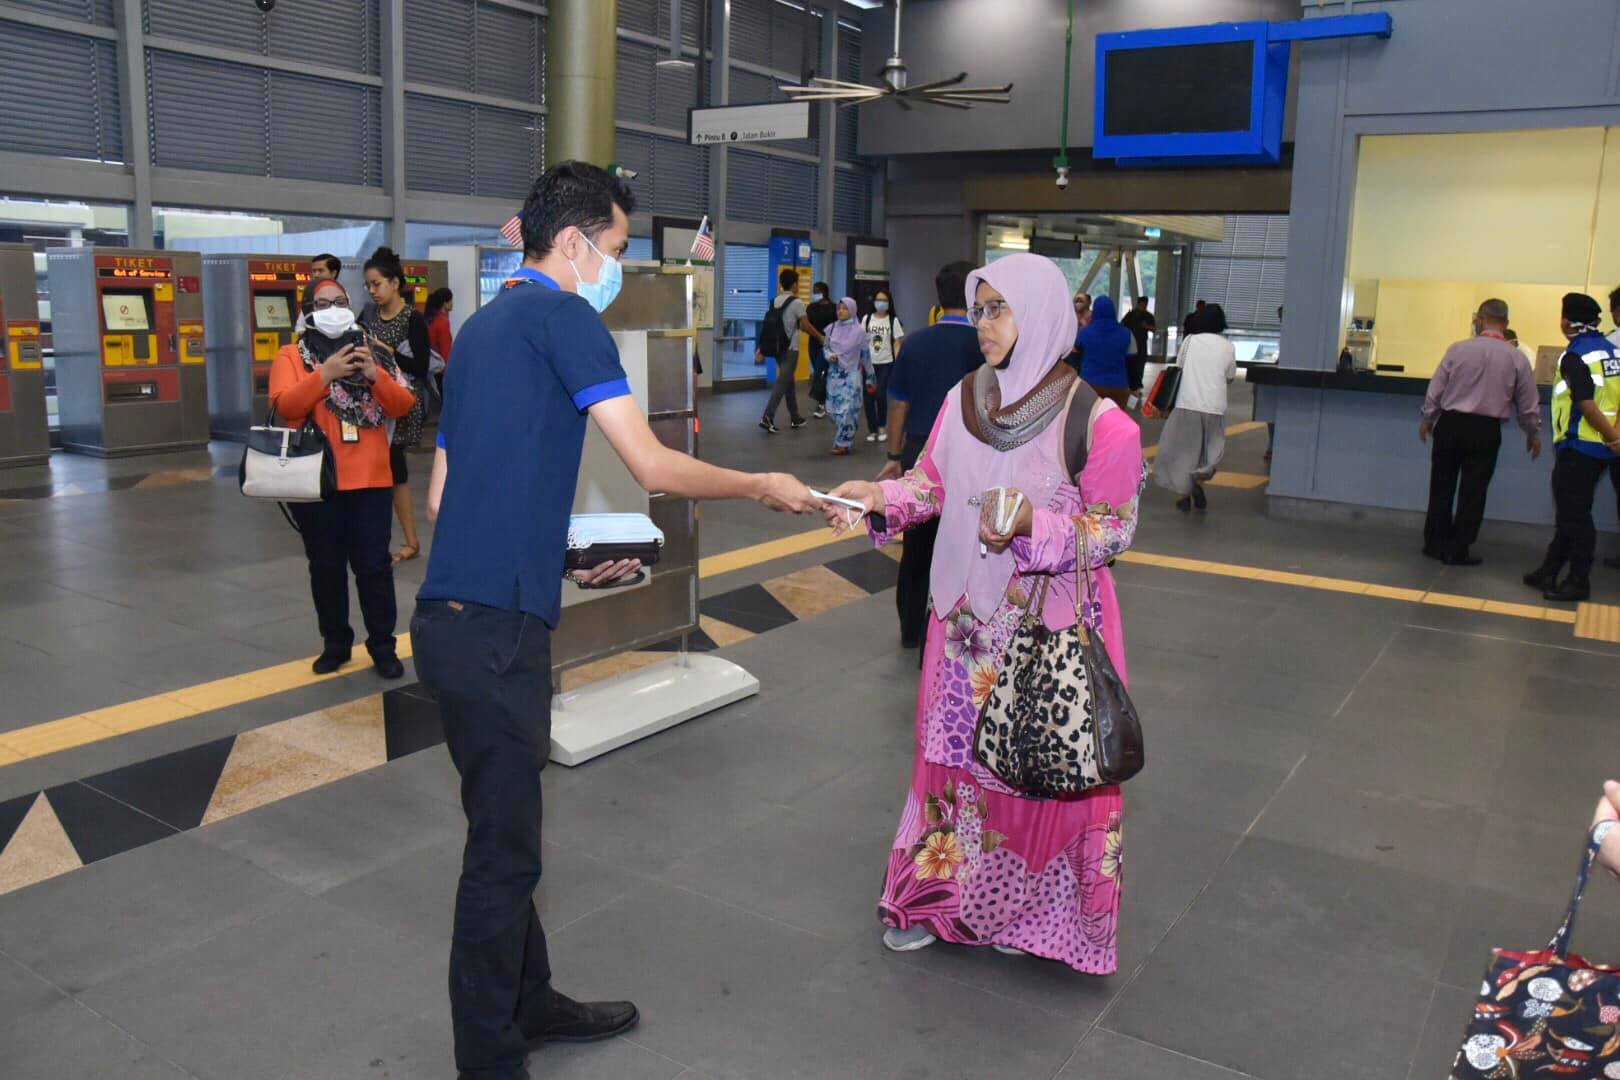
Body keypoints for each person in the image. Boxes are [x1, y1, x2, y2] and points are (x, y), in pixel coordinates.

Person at [415, 162, 819, 1080]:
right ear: (572, 243)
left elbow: (444, 498)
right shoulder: (565, 318)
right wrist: (761, 483)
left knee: (505, 834)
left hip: (451, 623)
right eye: (617, 247)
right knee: (501, 861)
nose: (619, 267)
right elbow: (652, 464)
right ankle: (488, 1061)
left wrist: (557, 553)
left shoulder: (477, 330)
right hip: (498, 634)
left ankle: (530, 1002)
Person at [822, 252, 1144, 972]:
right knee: (951, 764)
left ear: (1043, 314)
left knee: (1039, 771)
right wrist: (878, 498)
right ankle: (936, 902)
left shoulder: (1102, 424)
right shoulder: (964, 399)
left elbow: (1115, 530)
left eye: (1000, 309)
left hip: (1044, 635)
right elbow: (930, 485)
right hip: (963, 625)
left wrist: (1035, 525)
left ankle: (1031, 917)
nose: (985, 324)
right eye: (981, 308)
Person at [269, 277, 415, 679]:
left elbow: (404, 404)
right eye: (322, 303)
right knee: (326, 567)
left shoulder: (373, 350)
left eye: (340, 301)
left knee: (374, 567)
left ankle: (383, 645)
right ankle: (335, 643)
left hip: (371, 480)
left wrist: (374, 375)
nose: (332, 309)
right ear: (306, 310)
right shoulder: (292, 355)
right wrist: (324, 375)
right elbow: (286, 406)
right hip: (319, 481)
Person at [879, 260, 983, 649]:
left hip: (920, 452)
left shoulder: (915, 343)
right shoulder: (984, 345)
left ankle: (910, 630)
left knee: (917, 545)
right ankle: (956, 633)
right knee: (965, 544)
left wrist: (895, 454)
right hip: (972, 455)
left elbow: (899, 404)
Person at [1418, 298, 1542, 566]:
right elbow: (1528, 403)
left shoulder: (1458, 349)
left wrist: (1429, 418)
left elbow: (1436, 388)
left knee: (1441, 486)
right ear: (1506, 323)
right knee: (1473, 492)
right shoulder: (1516, 358)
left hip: (1450, 425)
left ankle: (1434, 543)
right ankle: (1458, 548)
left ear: (1480, 319)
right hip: (1485, 430)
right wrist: (1533, 432)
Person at [1523, 293, 1620, 602]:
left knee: (1575, 517)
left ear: (1566, 322)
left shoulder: (1575, 355)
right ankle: (1549, 570)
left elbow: (1587, 405)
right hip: (1601, 449)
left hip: (1580, 446)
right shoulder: (1612, 351)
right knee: (1571, 512)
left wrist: (1613, 437)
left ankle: (1578, 580)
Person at [360, 247, 432, 563]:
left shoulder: (412, 319)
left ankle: (410, 541)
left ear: (394, 283)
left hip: (400, 405)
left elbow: (420, 366)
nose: (372, 291)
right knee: (382, 470)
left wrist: (386, 350)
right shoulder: (368, 316)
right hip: (370, 402)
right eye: (368, 286)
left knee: (394, 470)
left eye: (377, 284)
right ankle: (388, 539)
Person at [1156, 303, 1237, 512]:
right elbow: (1230, 376)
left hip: (1188, 402)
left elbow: (1179, 368)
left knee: (1185, 451)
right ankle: (1199, 479)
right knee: (1211, 452)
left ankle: (1185, 494)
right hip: (1214, 405)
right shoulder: (1228, 346)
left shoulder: (1190, 341)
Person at [756, 268, 822, 433]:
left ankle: (795, 417)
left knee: (788, 382)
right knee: (782, 382)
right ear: (794, 285)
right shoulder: (797, 303)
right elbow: (805, 326)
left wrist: (761, 348)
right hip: (790, 349)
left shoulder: (774, 301)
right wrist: (820, 337)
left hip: (777, 348)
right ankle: (767, 416)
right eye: (797, 283)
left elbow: (768, 327)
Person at [823, 297, 872, 456]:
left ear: (852, 310)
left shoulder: (860, 332)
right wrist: (829, 355)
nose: (841, 311)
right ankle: (846, 433)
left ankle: (843, 443)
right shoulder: (831, 328)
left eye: (845, 308)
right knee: (833, 411)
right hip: (834, 376)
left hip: (851, 377)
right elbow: (825, 348)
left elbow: (866, 356)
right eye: (839, 308)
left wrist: (871, 377)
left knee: (848, 410)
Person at [1076, 295, 1134, 408]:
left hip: (1089, 384)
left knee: (1090, 416)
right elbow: (1132, 355)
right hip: (1118, 385)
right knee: (1116, 417)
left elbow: (1075, 350)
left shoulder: (1084, 332)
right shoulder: (1127, 333)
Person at [863, 288, 905, 442]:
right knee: (868, 396)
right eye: (878, 300)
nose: (881, 303)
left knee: (880, 394)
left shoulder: (893, 320)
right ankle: (872, 430)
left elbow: (897, 342)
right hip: (869, 364)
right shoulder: (867, 319)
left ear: (889, 303)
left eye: (884, 300)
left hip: (886, 363)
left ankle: (881, 426)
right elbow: (861, 340)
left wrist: (897, 361)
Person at [807, 282, 838, 420]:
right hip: (813, 344)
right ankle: (828, 399)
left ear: (825, 292)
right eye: (814, 291)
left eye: (817, 291)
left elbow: (838, 326)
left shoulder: (834, 308)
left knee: (820, 372)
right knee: (820, 371)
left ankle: (821, 404)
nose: (815, 294)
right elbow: (806, 325)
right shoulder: (811, 307)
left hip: (829, 345)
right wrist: (818, 336)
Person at [1120, 295, 1157, 395]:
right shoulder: (1132, 314)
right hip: (1135, 343)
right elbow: (1122, 324)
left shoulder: (1144, 315)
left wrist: (1146, 326)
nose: (1144, 306)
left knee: (1136, 364)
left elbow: (1154, 329)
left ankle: (1135, 384)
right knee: (1135, 364)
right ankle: (1134, 384)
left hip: (1137, 344)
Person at [423, 287, 454, 406]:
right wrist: (448, 373)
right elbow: (446, 350)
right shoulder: (443, 322)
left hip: (429, 367)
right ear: (444, 303)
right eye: (451, 300)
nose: (452, 303)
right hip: (440, 370)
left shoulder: (428, 319)